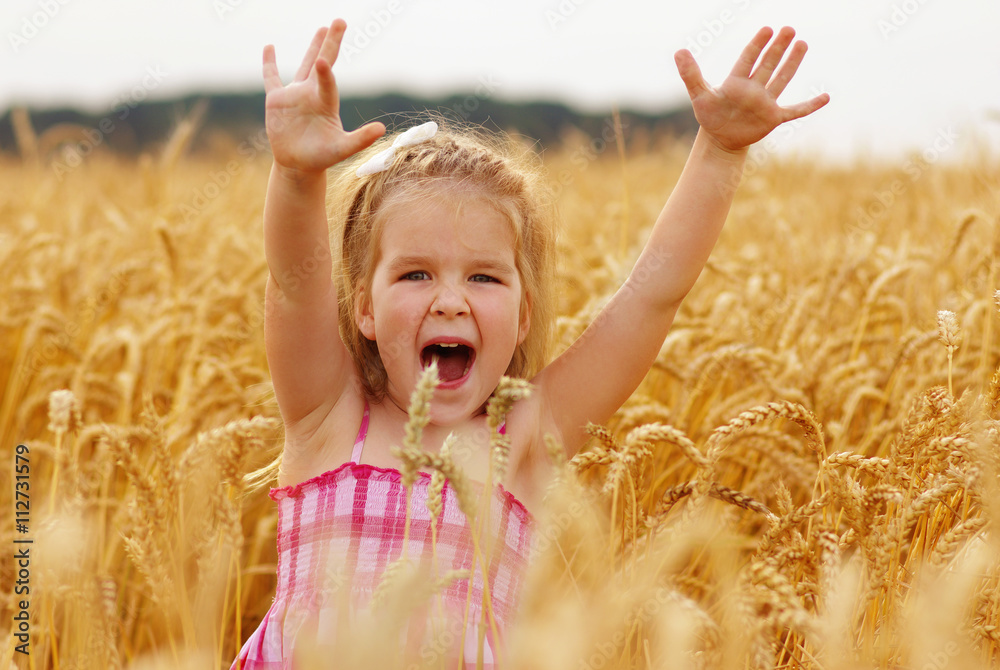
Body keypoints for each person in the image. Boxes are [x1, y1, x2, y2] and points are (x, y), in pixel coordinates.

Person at [232, 17, 829, 669]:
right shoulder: (328, 415)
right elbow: (294, 287)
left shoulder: (522, 439)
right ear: (365, 308)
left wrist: (719, 150)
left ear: (523, 318)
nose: (451, 299)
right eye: (415, 273)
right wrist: (294, 177)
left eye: (484, 276)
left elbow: (650, 297)